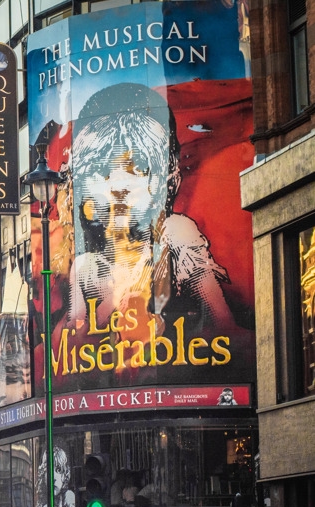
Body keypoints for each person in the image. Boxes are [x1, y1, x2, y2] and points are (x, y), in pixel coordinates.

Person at [66, 82, 241, 348]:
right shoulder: (85, 268)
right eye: (102, 171)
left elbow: (223, 327)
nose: (119, 186)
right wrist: (112, 303)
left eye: (138, 168)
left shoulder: (175, 234)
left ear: (168, 180)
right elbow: (74, 343)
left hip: (187, 373)